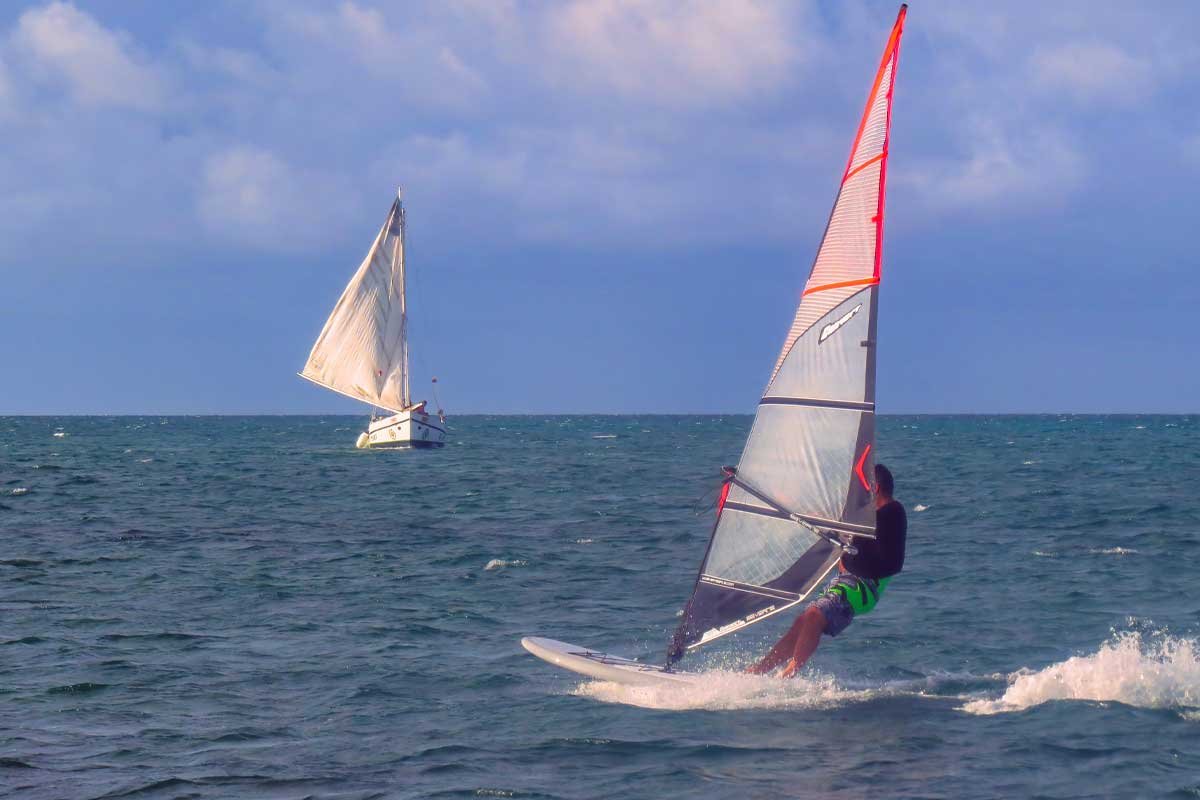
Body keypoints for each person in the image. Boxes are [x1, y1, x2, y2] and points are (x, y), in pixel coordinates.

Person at [747, 463, 906, 678]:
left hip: (861, 590)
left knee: (814, 616)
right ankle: (759, 671)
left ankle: (789, 674)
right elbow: (833, 523)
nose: (858, 494)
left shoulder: (892, 512)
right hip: (847, 584)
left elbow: (889, 561)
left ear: (875, 488)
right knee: (803, 621)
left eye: (862, 489)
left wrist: (848, 556)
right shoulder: (869, 517)